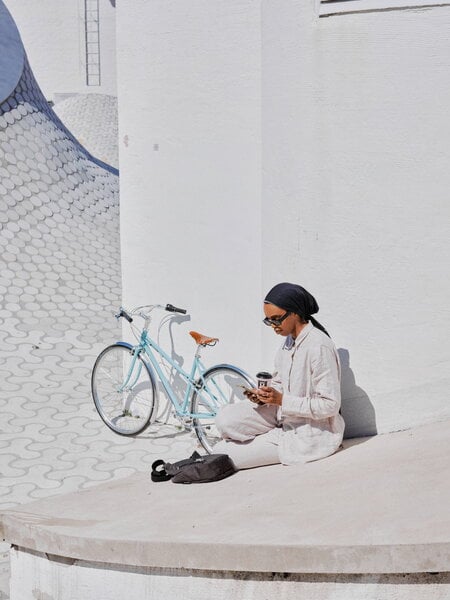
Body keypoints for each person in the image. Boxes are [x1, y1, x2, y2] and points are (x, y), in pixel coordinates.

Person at [214, 282, 345, 469]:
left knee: (221, 454)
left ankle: (266, 441)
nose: (273, 326)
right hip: (282, 415)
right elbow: (280, 382)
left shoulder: (319, 346)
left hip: (310, 431)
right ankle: (263, 438)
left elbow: (330, 405)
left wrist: (282, 400)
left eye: (276, 319)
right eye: (268, 321)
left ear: (295, 313)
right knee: (224, 420)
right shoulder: (288, 342)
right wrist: (265, 396)